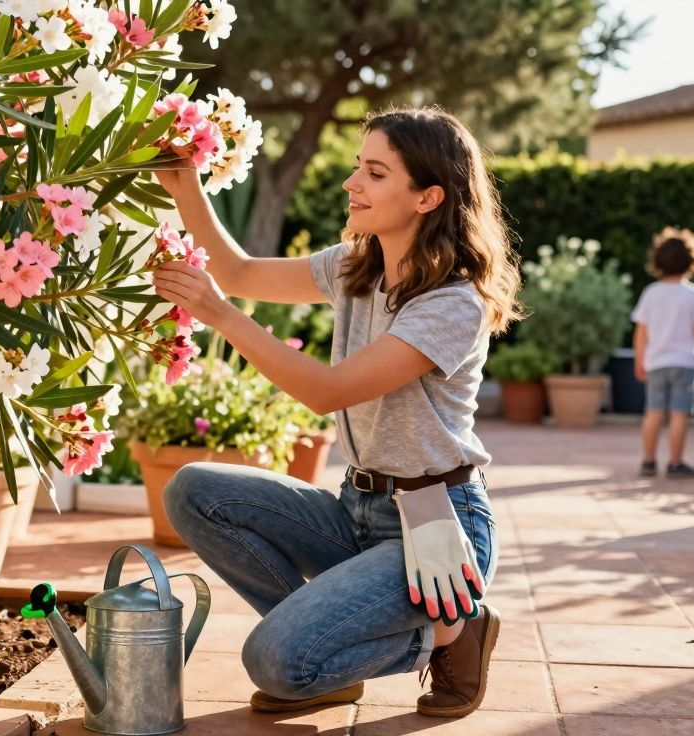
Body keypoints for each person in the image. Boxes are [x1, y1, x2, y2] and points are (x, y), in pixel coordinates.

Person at [149, 106, 521, 719]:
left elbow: (327, 391)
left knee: (276, 664)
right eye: (358, 167)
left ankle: (455, 630)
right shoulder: (357, 266)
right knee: (193, 491)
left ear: (428, 197)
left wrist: (220, 316)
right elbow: (238, 272)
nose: (352, 183)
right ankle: (327, 648)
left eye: (375, 173)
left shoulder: (453, 303)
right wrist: (187, 186)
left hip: (436, 530)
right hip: (356, 511)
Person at [632, 227, 694, 478]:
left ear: (658, 261)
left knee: (653, 412)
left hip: (656, 362)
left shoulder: (651, 293)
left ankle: (648, 462)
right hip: (685, 363)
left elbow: (641, 333)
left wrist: (639, 361)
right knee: (680, 412)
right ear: (692, 261)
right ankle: (675, 463)